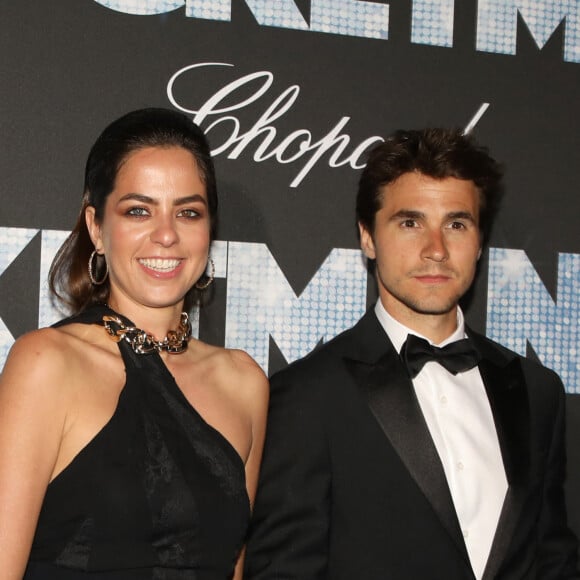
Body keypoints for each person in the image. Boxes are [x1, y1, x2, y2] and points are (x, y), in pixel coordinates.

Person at [244, 128, 579, 579]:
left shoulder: (540, 392)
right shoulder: (306, 396)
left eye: (456, 224)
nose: (436, 249)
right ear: (367, 237)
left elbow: (553, 559)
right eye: (410, 222)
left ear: (480, 242)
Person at [0, 108, 269, 579]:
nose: (166, 235)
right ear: (97, 227)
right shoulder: (46, 364)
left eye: (188, 212)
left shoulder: (244, 382)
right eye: (138, 211)